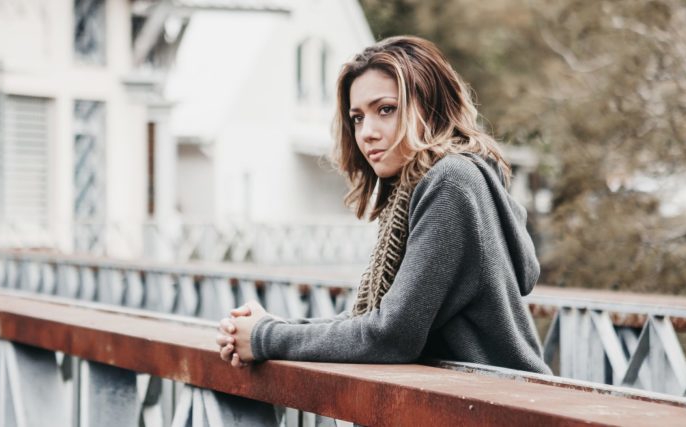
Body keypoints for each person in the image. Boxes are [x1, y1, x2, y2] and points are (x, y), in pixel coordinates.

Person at [215, 35, 549, 375]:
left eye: (385, 110)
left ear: (431, 108)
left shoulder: (451, 182)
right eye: (357, 117)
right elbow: (372, 321)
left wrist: (265, 337)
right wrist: (270, 327)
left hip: (501, 410)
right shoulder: (415, 189)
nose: (367, 133)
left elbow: (391, 335)